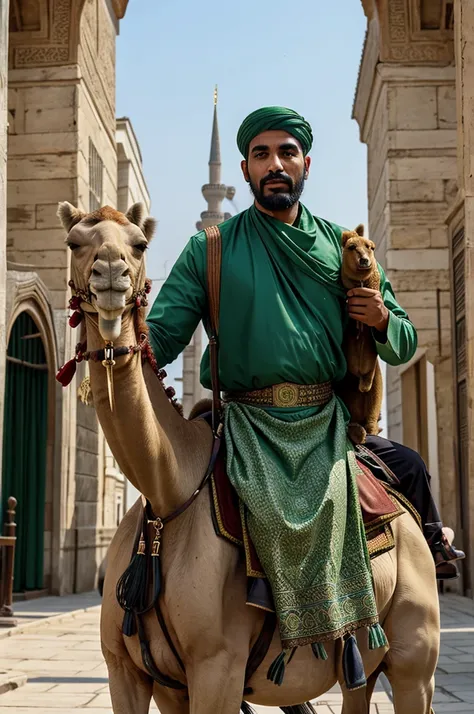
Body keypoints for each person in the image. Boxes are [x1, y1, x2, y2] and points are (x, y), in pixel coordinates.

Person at [146, 107, 463, 662]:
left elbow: (406, 341)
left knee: (408, 466)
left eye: (286, 152)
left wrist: (381, 320)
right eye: (262, 154)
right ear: (243, 168)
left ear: (306, 164)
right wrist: (111, 337)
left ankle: (407, 590)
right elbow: (160, 338)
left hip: (329, 425)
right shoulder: (211, 249)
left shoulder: (346, 250)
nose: (275, 164)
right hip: (244, 423)